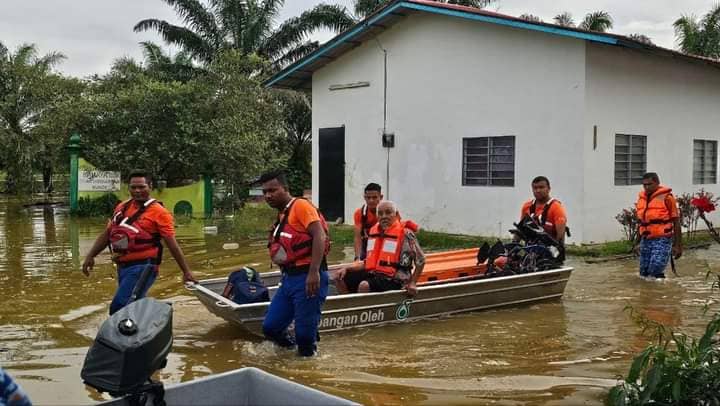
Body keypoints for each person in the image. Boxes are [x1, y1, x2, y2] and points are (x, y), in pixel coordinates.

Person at [81, 170, 197, 315]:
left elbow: (172, 244)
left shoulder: (160, 213)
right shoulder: (122, 207)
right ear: (128, 188)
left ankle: (121, 334)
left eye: (142, 187)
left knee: (120, 306)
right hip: (123, 266)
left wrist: (186, 271)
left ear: (150, 186)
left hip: (144, 266)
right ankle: (151, 320)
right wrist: (90, 256)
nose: (137, 191)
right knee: (133, 303)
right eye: (133, 187)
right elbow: (108, 234)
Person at [260, 171, 330, 356]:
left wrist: (314, 272)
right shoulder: (283, 214)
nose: (268, 195)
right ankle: (293, 352)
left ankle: (307, 362)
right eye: (265, 192)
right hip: (289, 279)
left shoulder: (300, 206)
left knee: (305, 337)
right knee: (270, 327)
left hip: (308, 277)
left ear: (286, 189)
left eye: (273, 190)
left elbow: (319, 235)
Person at [336, 200, 425, 296]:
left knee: (364, 285)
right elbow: (368, 262)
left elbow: (421, 260)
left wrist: (412, 283)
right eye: (380, 213)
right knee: (340, 277)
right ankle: (350, 307)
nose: (384, 216)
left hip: (396, 279)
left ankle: (364, 309)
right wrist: (346, 268)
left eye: (388, 212)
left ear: (396, 214)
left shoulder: (406, 234)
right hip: (375, 274)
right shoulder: (374, 232)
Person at [633, 172, 682, 279]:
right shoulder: (642, 198)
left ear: (657, 183)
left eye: (649, 184)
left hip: (662, 238)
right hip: (646, 239)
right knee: (644, 272)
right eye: (644, 185)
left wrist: (678, 245)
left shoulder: (667, 198)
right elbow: (642, 223)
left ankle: (662, 290)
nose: (646, 187)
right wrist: (637, 243)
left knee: (656, 267)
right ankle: (649, 293)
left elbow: (676, 222)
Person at [520, 176, 568, 244]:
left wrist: (558, 250)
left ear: (548, 189)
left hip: (549, 249)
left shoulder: (556, 207)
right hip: (530, 249)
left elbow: (560, 236)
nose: (538, 190)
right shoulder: (527, 206)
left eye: (541, 187)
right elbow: (521, 229)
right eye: (535, 188)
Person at [353, 183, 383, 261]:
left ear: (381, 197)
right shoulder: (359, 213)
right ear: (364, 198)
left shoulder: (390, 212)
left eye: (374, 197)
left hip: (384, 243)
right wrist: (357, 258)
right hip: (366, 245)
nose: (371, 200)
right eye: (368, 197)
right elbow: (357, 237)